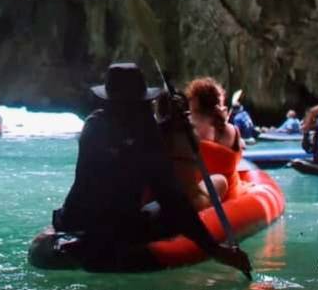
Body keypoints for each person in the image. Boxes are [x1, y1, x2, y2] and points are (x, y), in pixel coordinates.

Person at [49, 63, 252, 277]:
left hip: (77, 219)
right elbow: (171, 198)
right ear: (139, 103)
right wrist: (214, 249)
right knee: (167, 211)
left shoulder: (93, 125)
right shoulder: (146, 134)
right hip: (120, 228)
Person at [184, 77, 243, 207]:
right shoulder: (233, 130)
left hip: (202, 198)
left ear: (194, 102)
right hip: (232, 196)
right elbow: (238, 158)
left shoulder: (186, 129)